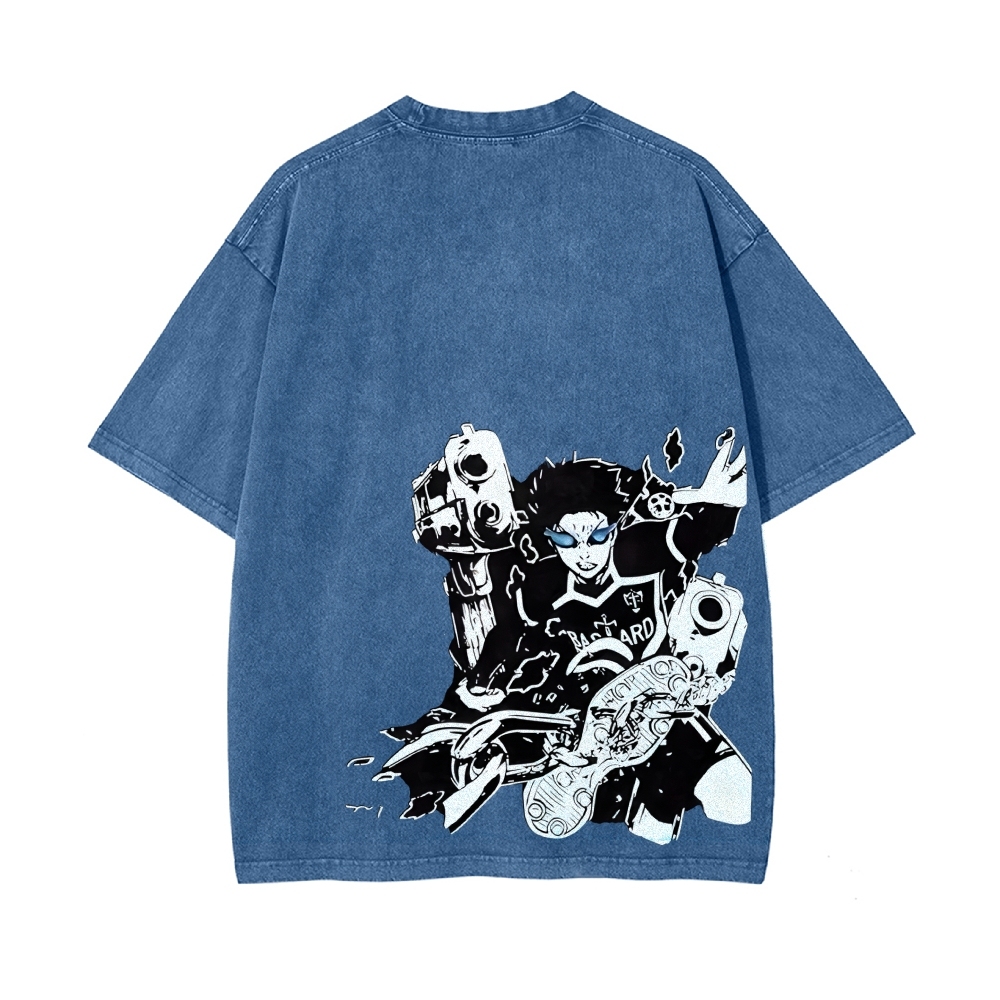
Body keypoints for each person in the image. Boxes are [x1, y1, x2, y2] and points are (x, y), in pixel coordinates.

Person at [382, 430, 751, 839]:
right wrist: (480, 684)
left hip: (659, 705)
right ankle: (596, 777)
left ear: (615, 528)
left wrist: (721, 500)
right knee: (651, 829)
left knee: (728, 792)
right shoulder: (542, 584)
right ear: (550, 538)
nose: (584, 553)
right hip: (585, 722)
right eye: (566, 540)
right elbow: (508, 634)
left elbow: (701, 532)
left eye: (597, 536)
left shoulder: (643, 549)